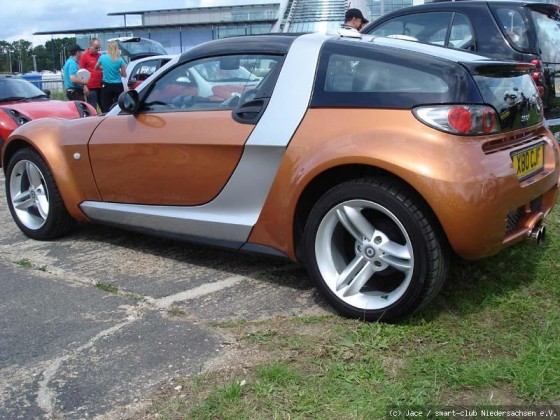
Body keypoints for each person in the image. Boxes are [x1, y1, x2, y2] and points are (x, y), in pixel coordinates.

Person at [94, 40, 127, 112]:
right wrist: (119, 72)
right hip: (118, 85)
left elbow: (96, 67)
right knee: (118, 106)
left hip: (107, 85)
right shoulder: (120, 60)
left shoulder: (102, 57)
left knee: (106, 105)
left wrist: (103, 68)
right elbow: (124, 75)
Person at [79, 37, 103, 110]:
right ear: (90, 46)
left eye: (99, 48)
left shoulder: (100, 56)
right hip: (91, 87)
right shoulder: (84, 56)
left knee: (104, 106)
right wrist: (84, 86)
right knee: (92, 107)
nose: (97, 50)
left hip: (101, 85)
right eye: (96, 48)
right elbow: (81, 72)